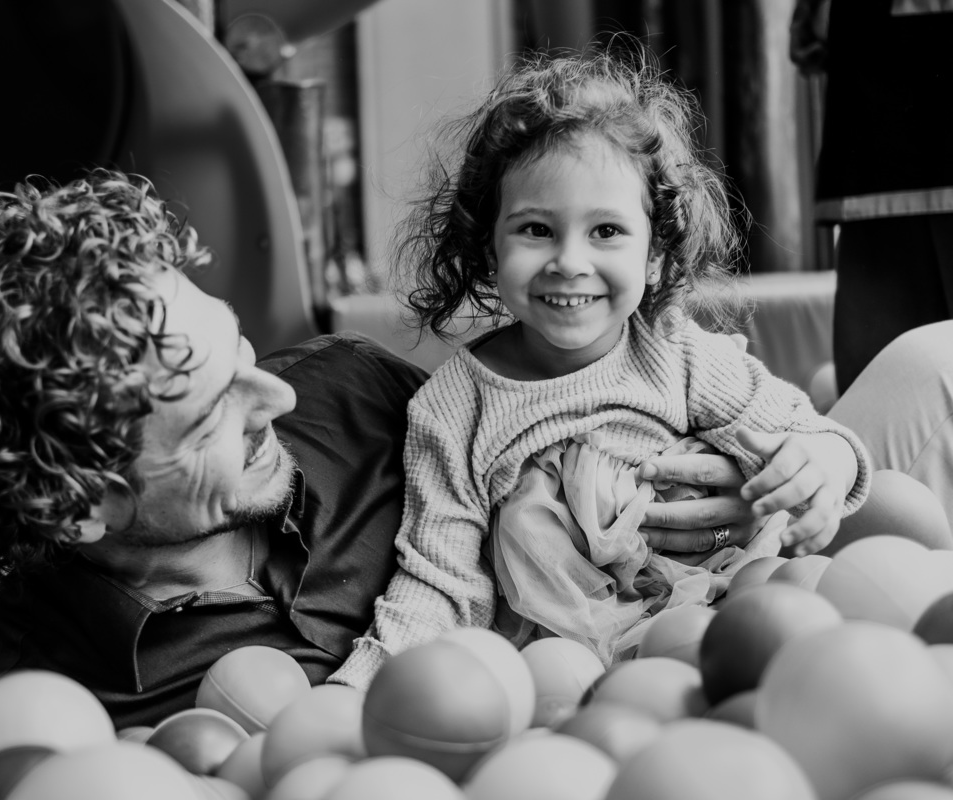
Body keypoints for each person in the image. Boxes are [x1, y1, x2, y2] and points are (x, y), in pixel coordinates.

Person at [0, 169, 944, 728]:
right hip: (609, 725)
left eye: (242, 349)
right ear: (80, 504)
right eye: (213, 411)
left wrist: (765, 477)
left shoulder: (352, 392)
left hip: (724, 597)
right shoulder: (61, 671)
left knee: (935, 359)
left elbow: (571, 427)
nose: (274, 389)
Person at [327, 46, 930, 685]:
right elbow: (438, 583)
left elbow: (806, 432)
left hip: (729, 611)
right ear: (488, 246)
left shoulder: (674, 352)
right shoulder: (456, 410)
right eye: (535, 229)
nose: (568, 261)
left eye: (606, 231)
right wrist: (356, 691)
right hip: (574, 665)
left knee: (889, 512)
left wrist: (824, 465)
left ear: (655, 258)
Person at [790, 0, 953, 394]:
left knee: (883, 397)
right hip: (875, 153)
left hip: (875, 147)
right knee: (881, 397)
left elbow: (811, 42)